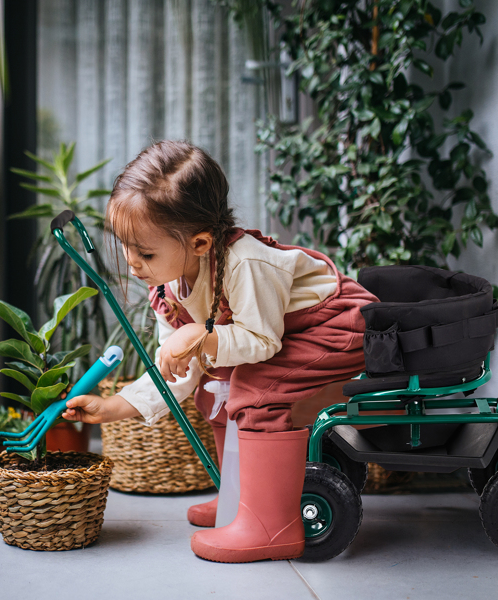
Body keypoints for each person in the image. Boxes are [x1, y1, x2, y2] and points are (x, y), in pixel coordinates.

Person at [62, 140, 378, 563]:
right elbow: (179, 372)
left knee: (255, 388)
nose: (133, 263)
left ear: (199, 243)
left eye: (146, 252)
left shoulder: (245, 263)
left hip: (335, 325)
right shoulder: (169, 287)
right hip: (284, 336)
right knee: (215, 390)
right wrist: (114, 407)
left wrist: (198, 336)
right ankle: (239, 498)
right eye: (126, 247)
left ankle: (271, 526)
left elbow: (261, 342)